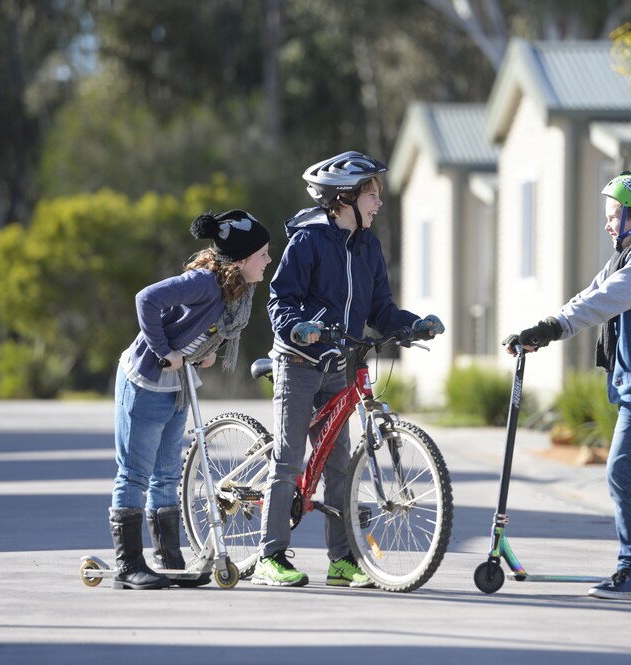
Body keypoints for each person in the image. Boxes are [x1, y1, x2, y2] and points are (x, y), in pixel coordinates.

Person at [256, 150, 445, 588]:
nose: (379, 203)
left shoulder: (369, 247)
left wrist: (411, 325)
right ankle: (271, 556)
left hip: (340, 366)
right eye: (372, 195)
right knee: (287, 460)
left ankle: (342, 561)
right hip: (299, 361)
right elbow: (280, 299)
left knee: (340, 467)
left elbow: (380, 309)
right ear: (343, 198)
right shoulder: (307, 241)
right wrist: (300, 328)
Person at [502, 173, 631, 600]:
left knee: (622, 471)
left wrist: (555, 327)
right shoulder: (629, 254)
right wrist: (544, 329)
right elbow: (590, 293)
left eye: (614, 215)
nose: (608, 224)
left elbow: (604, 302)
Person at [109, 209, 272, 590]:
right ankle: (127, 565)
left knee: (167, 474)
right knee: (134, 474)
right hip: (146, 382)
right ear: (243, 259)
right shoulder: (203, 282)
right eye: (263, 254)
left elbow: (199, 327)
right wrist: (165, 350)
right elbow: (146, 299)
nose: (268, 260)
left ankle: (169, 560)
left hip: (177, 385)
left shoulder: (234, 293)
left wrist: (202, 351)